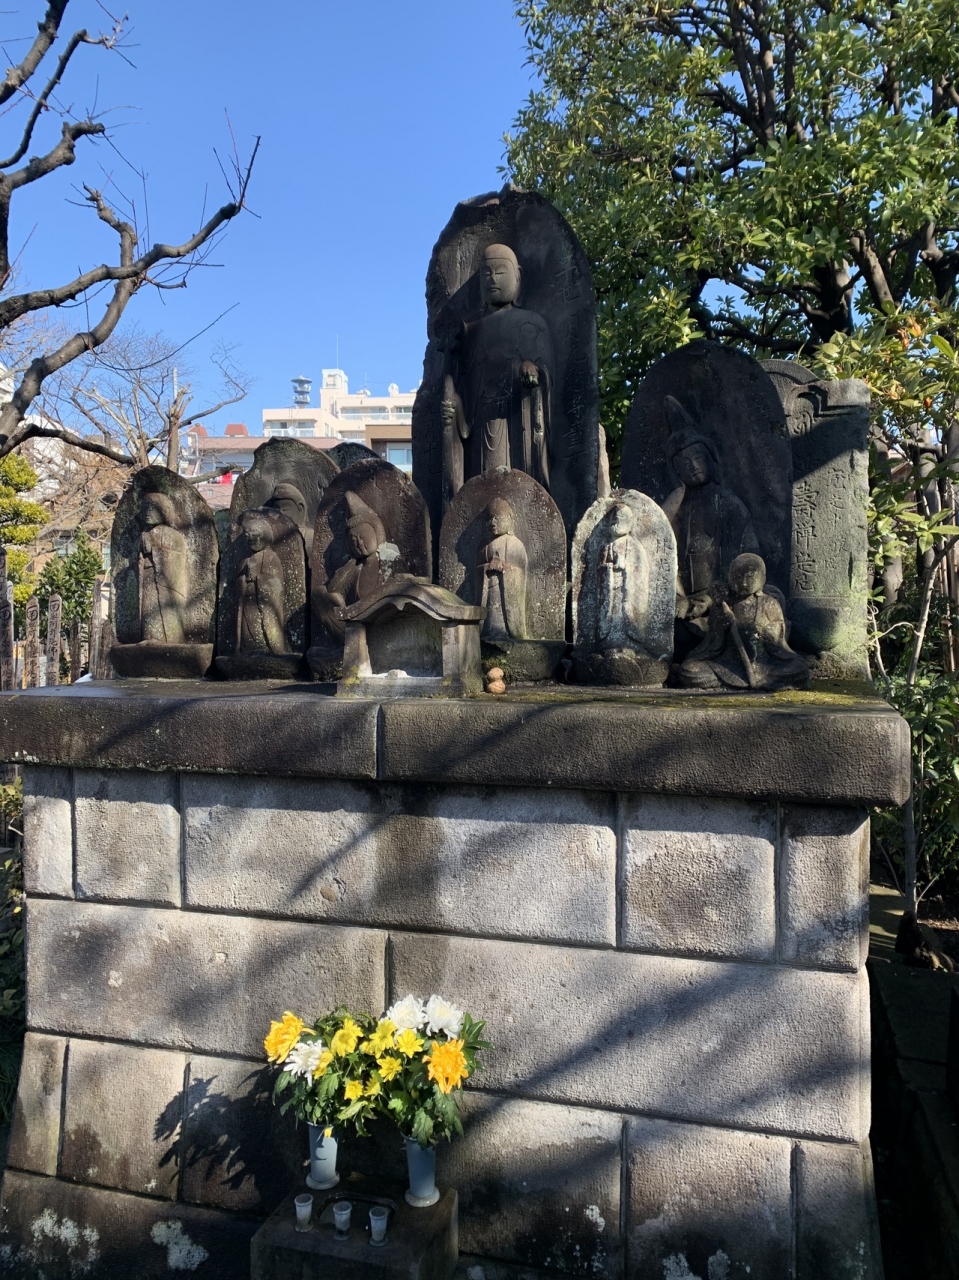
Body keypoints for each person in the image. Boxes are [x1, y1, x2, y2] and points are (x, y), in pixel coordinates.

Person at [441, 244, 553, 495]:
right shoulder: (471, 329)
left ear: (517, 276)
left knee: (515, 487)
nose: (492, 279)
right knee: (481, 485)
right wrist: (455, 406)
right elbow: (462, 382)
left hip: (517, 420)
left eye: (500, 272)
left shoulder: (532, 324)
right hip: (480, 419)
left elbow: (546, 375)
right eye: (486, 273)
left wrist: (533, 371)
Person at [679, 553, 809, 690]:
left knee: (799, 669)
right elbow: (712, 641)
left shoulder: (769, 603)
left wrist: (762, 632)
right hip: (726, 665)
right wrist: (722, 625)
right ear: (730, 577)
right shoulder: (724, 605)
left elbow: (779, 642)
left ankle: (761, 681)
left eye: (750, 577)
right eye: (738, 577)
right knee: (689, 670)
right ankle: (753, 683)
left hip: (763, 665)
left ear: (762, 578)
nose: (744, 582)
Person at [315, 493, 398, 640]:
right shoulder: (356, 567)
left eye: (363, 536)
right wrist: (351, 564)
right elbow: (332, 590)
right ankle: (349, 640)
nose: (359, 543)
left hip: (386, 623)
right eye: (353, 541)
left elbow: (404, 583)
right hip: (356, 624)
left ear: (375, 533)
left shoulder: (390, 559)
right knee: (320, 594)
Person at [594, 502, 649, 650]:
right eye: (614, 518)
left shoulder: (635, 546)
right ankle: (608, 644)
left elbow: (641, 573)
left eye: (621, 518)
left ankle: (629, 645)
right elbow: (599, 572)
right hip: (610, 592)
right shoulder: (606, 546)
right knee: (611, 618)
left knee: (624, 617)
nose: (616, 522)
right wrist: (607, 569)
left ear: (629, 523)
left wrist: (626, 567)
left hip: (627, 592)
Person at [235, 511, 288, 654]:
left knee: (261, 633)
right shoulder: (244, 562)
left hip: (264, 605)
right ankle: (247, 650)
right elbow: (237, 587)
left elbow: (276, 585)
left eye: (254, 533)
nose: (250, 538)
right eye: (247, 535)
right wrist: (243, 581)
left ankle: (269, 649)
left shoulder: (271, 558)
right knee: (248, 633)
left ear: (265, 534)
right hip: (246, 605)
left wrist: (258, 579)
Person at [476, 498, 529, 641]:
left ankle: (507, 632)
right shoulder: (484, 546)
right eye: (489, 519)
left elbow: (521, 573)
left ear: (509, 519)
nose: (493, 523)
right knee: (489, 618)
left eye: (497, 518)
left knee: (503, 623)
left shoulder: (515, 544)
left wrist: (505, 569)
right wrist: (486, 568)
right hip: (489, 591)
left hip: (507, 594)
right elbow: (477, 573)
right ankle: (487, 631)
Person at [138, 493, 188, 645]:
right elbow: (139, 559)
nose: (147, 513)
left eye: (152, 509)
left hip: (167, 584)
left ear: (163, 511)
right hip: (148, 576)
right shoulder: (144, 534)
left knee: (166, 609)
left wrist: (154, 550)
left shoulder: (173, 535)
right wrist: (141, 555)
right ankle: (149, 637)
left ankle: (169, 639)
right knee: (148, 607)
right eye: (145, 509)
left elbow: (178, 561)